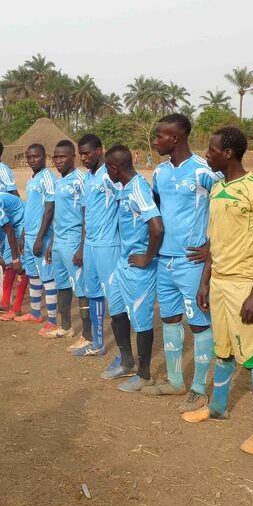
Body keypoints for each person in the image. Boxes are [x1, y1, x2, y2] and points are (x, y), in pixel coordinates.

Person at [189, 126, 253, 456]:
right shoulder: (216, 188)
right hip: (219, 283)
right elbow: (214, 240)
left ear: (227, 153)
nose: (207, 154)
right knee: (223, 350)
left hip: (243, 284)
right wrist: (204, 280)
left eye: (211, 150)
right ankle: (217, 407)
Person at [139, 115, 220, 415]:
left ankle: (199, 388)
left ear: (177, 137)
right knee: (170, 320)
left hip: (191, 261)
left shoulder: (205, 171)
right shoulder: (159, 173)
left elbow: (226, 210)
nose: (156, 141)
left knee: (199, 323)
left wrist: (210, 248)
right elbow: (157, 210)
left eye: (160, 136)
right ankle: (175, 381)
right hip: (165, 260)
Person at [103, 145, 164, 393]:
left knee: (141, 321)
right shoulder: (125, 188)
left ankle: (145, 374)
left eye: (108, 168)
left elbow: (157, 227)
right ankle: (126, 361)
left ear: (114, 168)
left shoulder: (138, 188)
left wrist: (148, 257)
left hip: (139, 268)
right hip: (123, 263)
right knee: (116, 311)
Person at [74, 133, 121, 359]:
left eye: (87, 153)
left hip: (108, 245)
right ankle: (98, 342)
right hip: (91, 244)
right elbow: (85, 214)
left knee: (114, 296)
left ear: (99, 150)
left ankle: (125, 352)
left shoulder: (110, 175)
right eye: (80, 153)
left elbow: (126, 204)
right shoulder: (86, 178)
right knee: (93, 293)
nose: (83, 157)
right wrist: (82, 245)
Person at [45, 140, 90, 342]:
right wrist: (51, 243)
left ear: (73, 156)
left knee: (81, 288)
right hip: (59, 241)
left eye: (63, 156)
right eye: (56, 157)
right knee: (61, 285)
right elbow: (58, 215)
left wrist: (81, 247)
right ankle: (65, 327)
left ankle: (88, 335)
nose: (59, 160)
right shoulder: (59, 181)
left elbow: (86, 214)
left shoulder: (81, 179)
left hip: (74, 240)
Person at [19, 144, 58, 330]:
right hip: (29, 236)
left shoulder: (48, 179)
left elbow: (50, 209)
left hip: (41, 236)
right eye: (29, 156)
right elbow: (31, 209)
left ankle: (52, 320)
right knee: (33, 275)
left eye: (36, 156)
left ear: (45, 157)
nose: (32, 160)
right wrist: (23, 235)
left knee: (47, 277)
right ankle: (35, 313)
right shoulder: (31, 180)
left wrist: (41, 238)